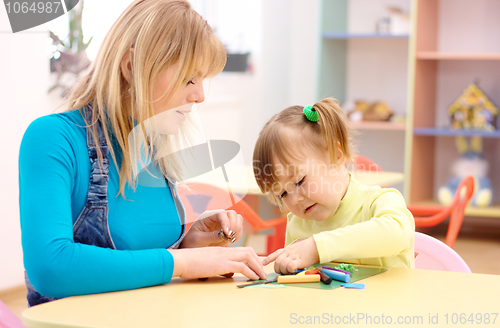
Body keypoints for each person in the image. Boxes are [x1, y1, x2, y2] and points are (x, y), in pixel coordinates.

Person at [19, 0, 265, 307]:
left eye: (204, 80)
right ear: (132, 67)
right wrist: (182, 263)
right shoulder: (54, 138)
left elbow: (143, 261)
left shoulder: (154, 150)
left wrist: (187, 246)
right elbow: (51, 267)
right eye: (190, 78)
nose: (200, 96)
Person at [252, 98, 414, 274]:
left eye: (299, 181)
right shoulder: (297, 224)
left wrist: (317, 247)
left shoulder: (379, 201)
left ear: (336, 155)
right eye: (282, 193)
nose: (294, 199)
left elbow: (397, 234)